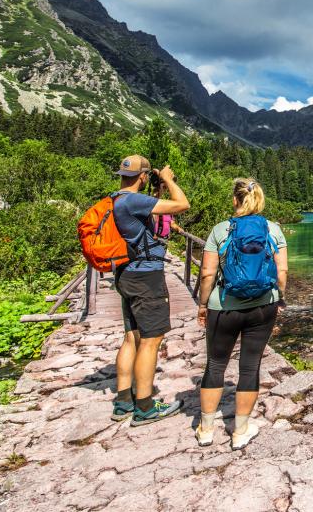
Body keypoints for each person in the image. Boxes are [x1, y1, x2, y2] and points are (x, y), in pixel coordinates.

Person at [195, 178, 288, 449]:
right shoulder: (273, 230)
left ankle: (206, 429)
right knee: (250, 367)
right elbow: (281, 272)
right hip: (262, 306)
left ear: (235, 200)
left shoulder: (220, 230)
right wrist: (280, 298)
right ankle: (240, 430)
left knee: (215, 365)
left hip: (223, 306)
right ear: (260, 200)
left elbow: (207, 273)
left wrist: (203, 305)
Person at [110, 155, 191, 426]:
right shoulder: (134, 200)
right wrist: (168, 180)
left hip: (126, 274)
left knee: (131, 337)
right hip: (146, 278)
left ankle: (123, 401)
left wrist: (158, 189)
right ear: (143, 177)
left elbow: (156, 223)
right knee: (151, 339)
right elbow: (182, 204)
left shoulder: (117, 199)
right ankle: (144, 407)